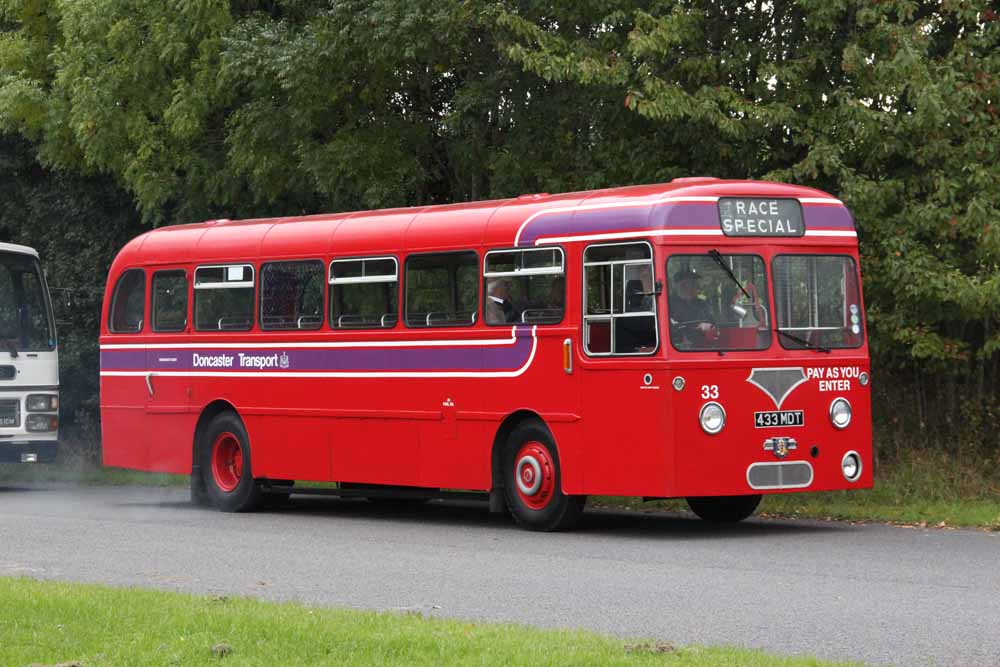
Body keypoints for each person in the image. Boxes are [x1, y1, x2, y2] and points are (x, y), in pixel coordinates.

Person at [668, 269, 716, 346]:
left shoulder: (703, 304)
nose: (697, 287)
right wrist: (670, 323)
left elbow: (713, 323)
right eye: (692, 284)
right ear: (680, 285)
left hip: (701, 345)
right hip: (676, 347)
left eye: (695, 284)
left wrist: (708, 325)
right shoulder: (668, 303)